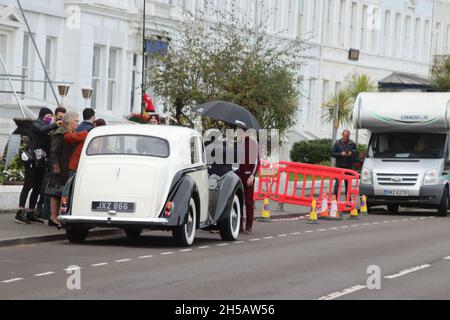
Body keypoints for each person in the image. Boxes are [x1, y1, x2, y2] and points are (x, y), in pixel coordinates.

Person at [16, 108, 63, 225]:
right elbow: (42, 130)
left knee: (37, 187)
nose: (50, 118)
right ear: (42, 115)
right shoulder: (36, 124)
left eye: (51, 116)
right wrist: (54, 124)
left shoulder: (49, 127)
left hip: (41, 160)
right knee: (28, 185)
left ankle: (31, 212)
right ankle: (19, 212)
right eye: (48, 115)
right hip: (31, 159)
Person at [35, 106, 67, 220]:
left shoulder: (60, 127)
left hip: (52, 159)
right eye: (59, 117)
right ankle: (42, 209)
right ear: (55, 116)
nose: (61, 119)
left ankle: (45, 211)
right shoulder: (51, 127)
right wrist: (55, 164)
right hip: (50, 160)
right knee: (47, 186)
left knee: (50, 187)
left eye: (63, 117)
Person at [48, 111, 78, 227]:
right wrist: (56, 166)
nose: (77, 123)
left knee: (63, 192)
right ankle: (53, 216)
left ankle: (60, 216)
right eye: (76, 121)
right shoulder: (60, 132)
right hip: (60, 166)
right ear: (69, 121)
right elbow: (53, 151)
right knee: (55, 192)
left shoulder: (72, 132)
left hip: (68, 166)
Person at [236, 128, 260, 234]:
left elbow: (256, 161)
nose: (238, 133)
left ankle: (249, 226)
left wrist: (252, 175)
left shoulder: (252, 143)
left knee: (249, 202)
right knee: (238, 202)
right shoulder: (236, 144)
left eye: (240, 131)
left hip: (248, 176)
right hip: (237, 176)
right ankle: (239, 225)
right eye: (237, 131)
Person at [331, 130, 358, 196]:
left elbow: (356, 153)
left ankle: (348, 200)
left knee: (348, 184)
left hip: (349, 167)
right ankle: (335, 199)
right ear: (342, 135)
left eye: (347, 136)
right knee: (337, 184)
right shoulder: (337, 143)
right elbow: (332, 153)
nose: (346, 137)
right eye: (345, 136)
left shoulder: (352, 143)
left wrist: (351, 153)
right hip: (339, 166)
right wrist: (340, 154)